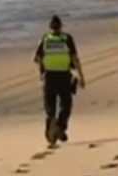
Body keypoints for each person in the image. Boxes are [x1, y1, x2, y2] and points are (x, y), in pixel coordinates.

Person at [33, 15, 86, 146]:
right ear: (61, 26)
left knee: (50, 105)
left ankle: (52, 123)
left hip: (49, 77)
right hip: (64, 75)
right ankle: (60, 127)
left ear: (50, 27)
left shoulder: (45, 39)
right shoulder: (67, 39)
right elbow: (75, 59)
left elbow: (37, 58)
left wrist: (41, 72)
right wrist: (81, 77)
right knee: (66, 105)